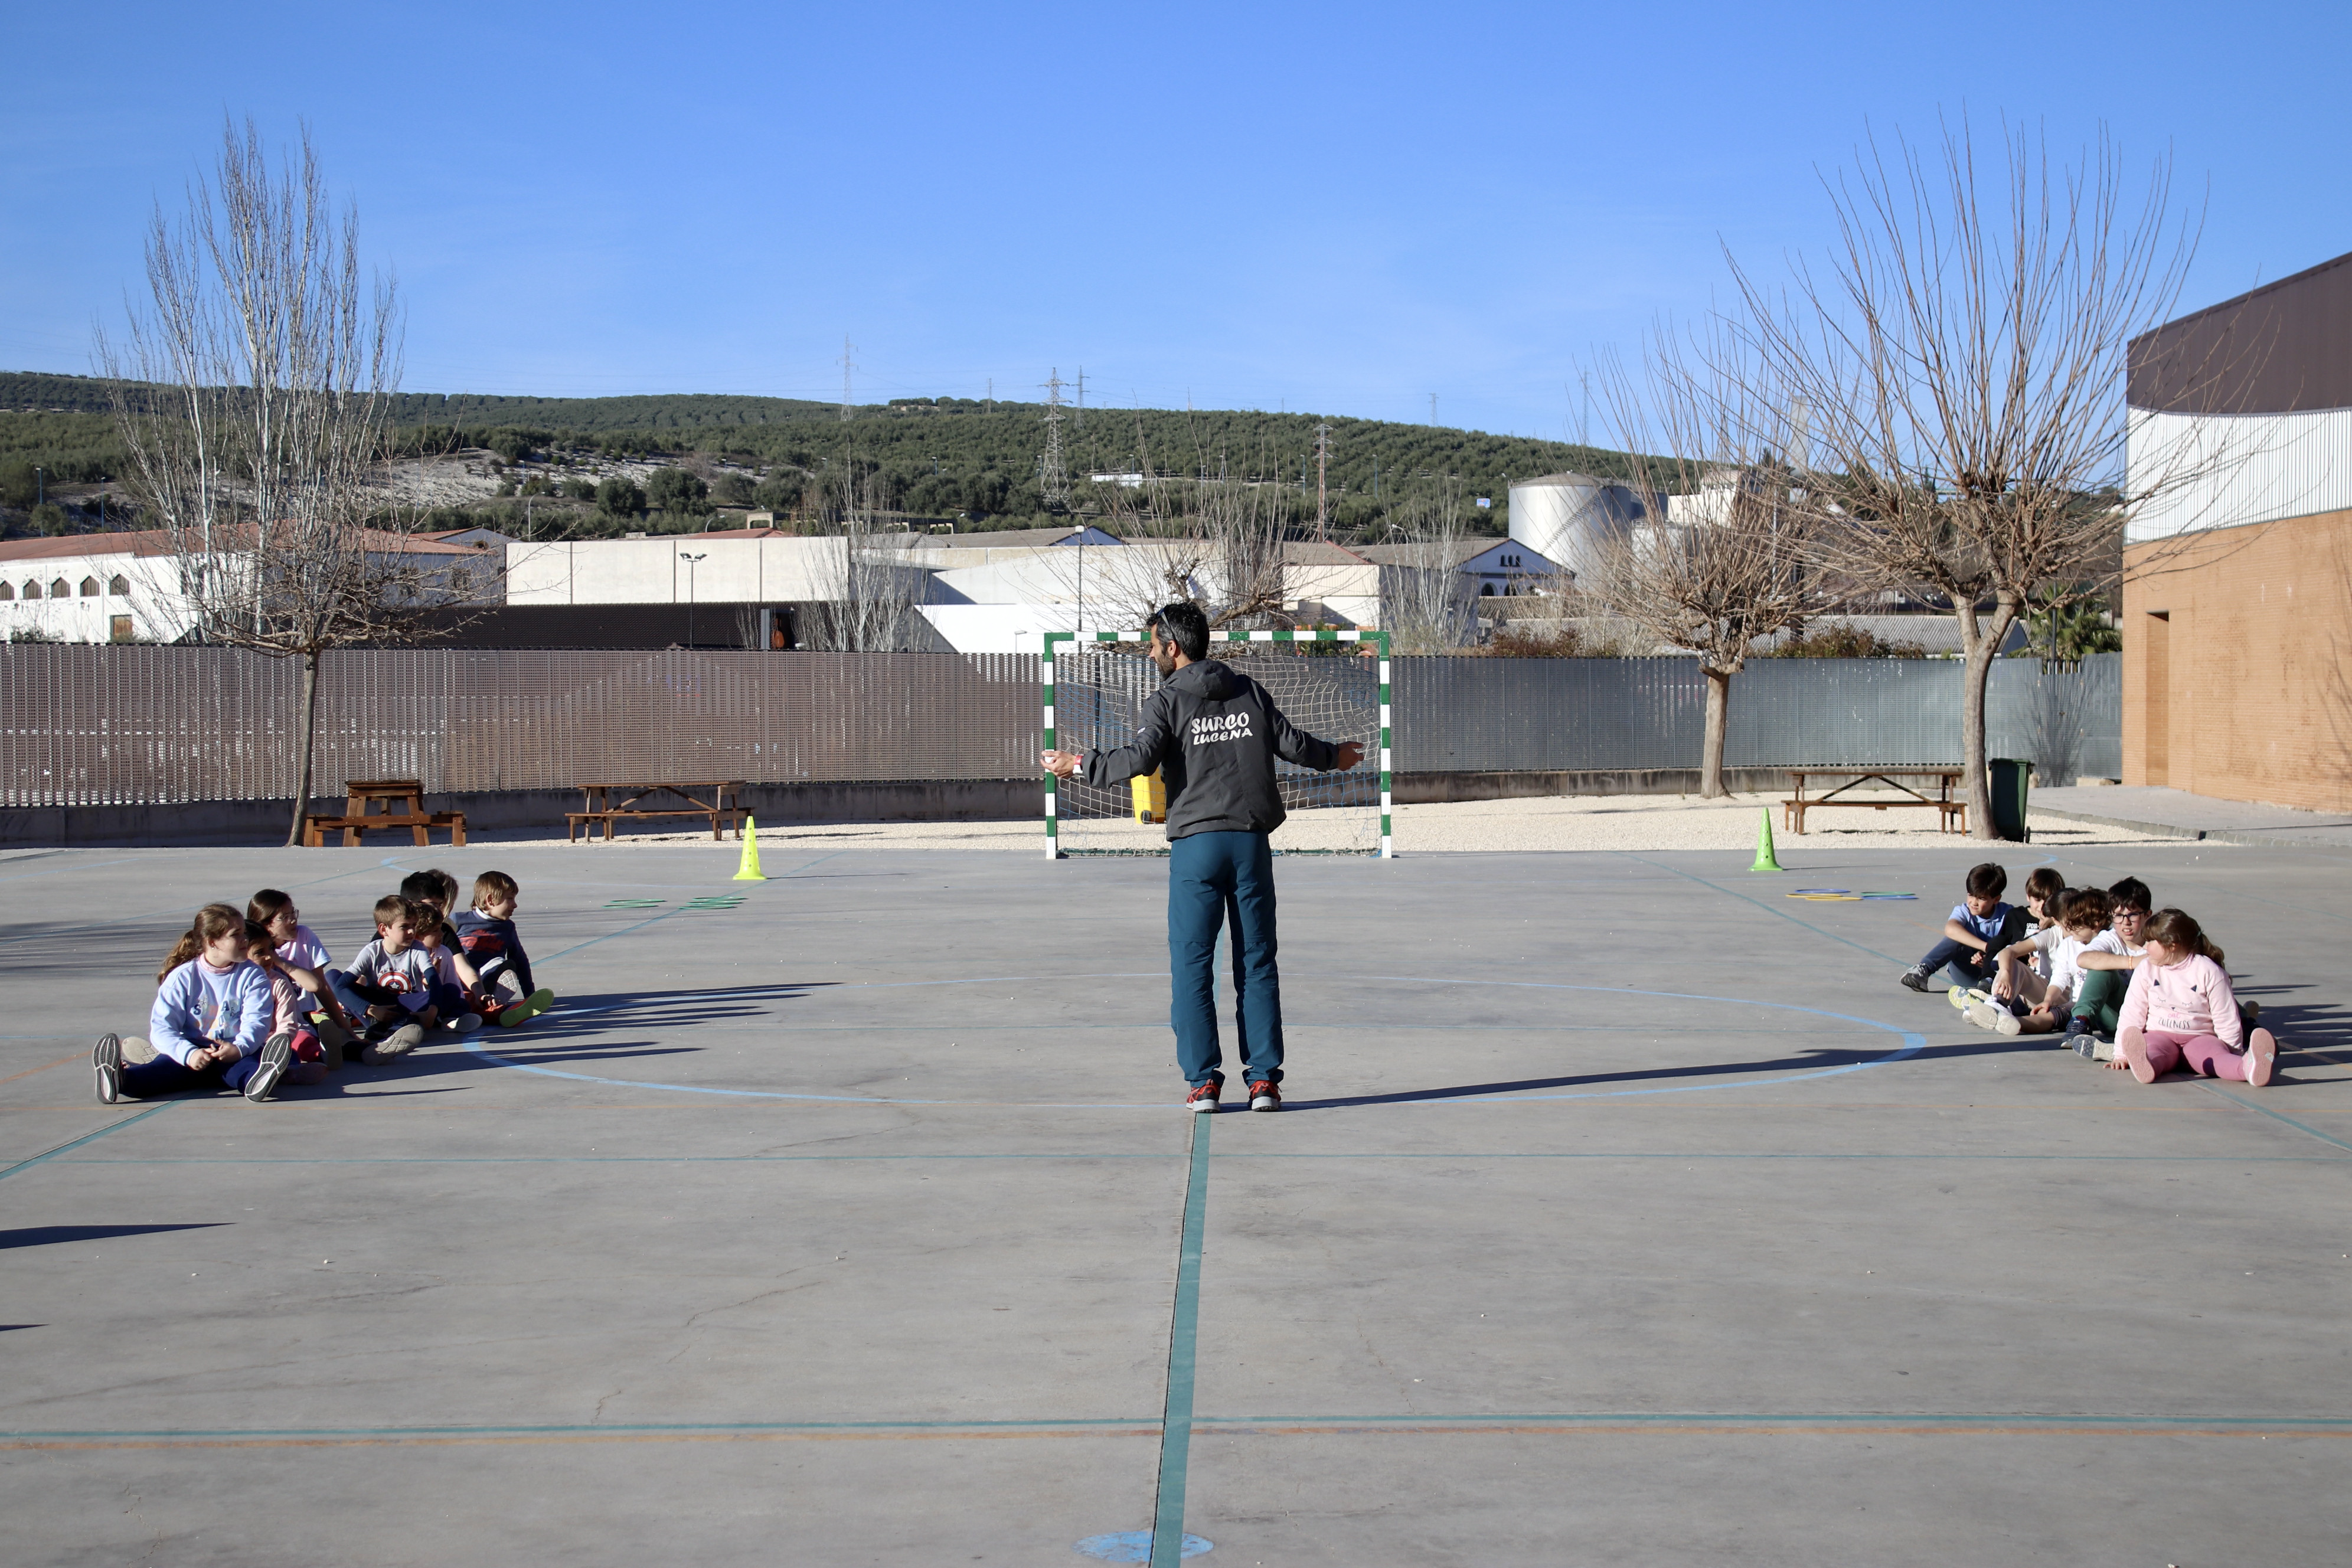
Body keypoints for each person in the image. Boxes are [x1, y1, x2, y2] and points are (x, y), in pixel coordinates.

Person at [1039, 602, 1364, 1112]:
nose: (1151, 654)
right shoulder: (1249, 692)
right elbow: (1293, 744)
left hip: (1197, 849)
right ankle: (1263, 1082)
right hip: (1250, 844)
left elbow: (1141, 758)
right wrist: (1335, 756)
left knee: (1193, 966)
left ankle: (1204, 1084)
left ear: (1173, 647)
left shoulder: (1165, 700)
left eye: (1152, 645)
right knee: (1256, 961)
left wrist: (1079, 764)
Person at [93, 904, 291, 1105]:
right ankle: (118, 1079)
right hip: (192, 1052)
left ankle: (258, 1081)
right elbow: (162, 1029)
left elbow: (257, 1022)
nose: (245, 940)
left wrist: (238, 1049)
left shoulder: (253, 975)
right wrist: (189, 1054)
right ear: (213, 942)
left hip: (233, 1053)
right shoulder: (182, 977)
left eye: (244, 933)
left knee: (246, 1070)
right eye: (236, 935)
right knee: (154, 1075)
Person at [2115, 909, 2279, 1087]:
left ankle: (2247, 1067)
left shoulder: (2208, 971)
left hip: (2200, 1039)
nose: (2145, 946)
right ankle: (2146, 1065)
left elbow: (2225, 1017)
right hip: (2159, 1036)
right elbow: (2132, 1011)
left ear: (2172, 945)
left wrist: (2233, 1052)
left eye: (2151, 941)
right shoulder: (2146, 968)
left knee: (2217, 1060)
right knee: (2153, 1051)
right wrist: (2121, 1054)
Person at [1991, 887, 2111, 1040]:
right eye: (2070, 920)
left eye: (2077, 921)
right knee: (2049, 1014)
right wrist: (2048, 1000)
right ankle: (2002, 1014)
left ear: (2095, 923)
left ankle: (2012, 1018)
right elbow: (2059, 978)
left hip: (2100, 1006)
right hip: (2071, 1002)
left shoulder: (2110, 941)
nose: (2071, 926)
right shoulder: (2068, 943)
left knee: (2055, 1016)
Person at [247, 888, 360, 1049]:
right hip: (265, 1020)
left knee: (325, 1042)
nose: (293, 920)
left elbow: (321, 987)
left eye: (293, 913)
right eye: (284, 917)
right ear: (265, 924)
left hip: (300, 1018)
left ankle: (368, 1051)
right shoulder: (254, 953)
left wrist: (346, 1029)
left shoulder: (304, 936)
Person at [1899, 863, 2025, 996]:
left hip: (1997, 972)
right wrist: (1987, 948)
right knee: (1957, 936)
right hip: (1968, 971)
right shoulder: (1964, 911)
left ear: (1996, 899)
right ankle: (1923, 970)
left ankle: (1988, 988)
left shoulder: (2009, 913)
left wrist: (1991, 958)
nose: (1974, 903)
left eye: (1981, 898)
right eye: (1971, 895)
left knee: (2010, 945)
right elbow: (1951, 929)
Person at [344, 895, 441, 1063]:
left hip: (405, 1004)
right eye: (405, 927)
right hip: (378, 1005)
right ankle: (398, 1027)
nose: (412, 932)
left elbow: (433, 979)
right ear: (384, 929)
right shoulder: (372, 951)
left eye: (414, 926)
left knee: (449, 991)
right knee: (332, 977)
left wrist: (432, 1010)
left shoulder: (417, 949)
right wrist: (370, 1009)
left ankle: (392, 1029)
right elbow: (340, 985)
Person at [452, 870, 554, 1026]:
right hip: (459, 980)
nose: (515, 905)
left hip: (489, 979)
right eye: (510, 899)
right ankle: (498, 1011)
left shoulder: (507, 928)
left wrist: (530, 995)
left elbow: (520, 961)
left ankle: (497, 1005)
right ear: (491, 900)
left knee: (502, 964)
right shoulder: (458, 921)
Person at [245, 920, 333, 1089]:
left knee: (294, 1052)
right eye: (259, 952)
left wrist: (277, 1045)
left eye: (271, 949)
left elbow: (287, 1023)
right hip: (246, 1044)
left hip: (275, 1042)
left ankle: (315, 1058)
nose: (269, 957)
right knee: (246, 1060)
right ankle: (277, 1075)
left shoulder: (279, 982)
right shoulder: (234, 983)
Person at [399, 870, 484, 1035]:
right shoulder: (392, 935)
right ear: (410, 904)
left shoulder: (443, 935)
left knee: (456, 995)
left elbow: (462, 968)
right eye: (433, 905)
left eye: (440, 905)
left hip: (432, 1000)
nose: (439, 910)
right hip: (402, 999)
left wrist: (480, 994)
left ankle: (453, 1019)